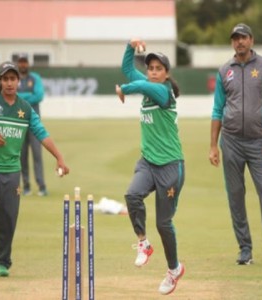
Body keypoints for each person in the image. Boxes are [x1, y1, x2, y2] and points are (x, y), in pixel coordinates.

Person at [0, 62, 69, 277]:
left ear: (18, 81)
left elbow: (41, 133)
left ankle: (2, 262)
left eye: (13, 79)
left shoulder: (25, 109)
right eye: (6, 79)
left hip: (11, 172)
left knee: (8, 216)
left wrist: (59, 157)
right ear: (0, 81)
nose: (10, 83)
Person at [209, 23, 262, 266]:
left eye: (243, 37)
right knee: (235, 195)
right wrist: (213, 146)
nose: (239, 42)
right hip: (230, 141)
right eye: (235, 38)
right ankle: (245, 249)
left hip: (257, 142)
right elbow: (217, 110)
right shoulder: (224, 70)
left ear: (251, 40)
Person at [115, 38, 185, 295]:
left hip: (170, 166)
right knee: (132, 195)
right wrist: (129, 47)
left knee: (164, 223)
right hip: (148, 161)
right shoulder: (147, 86)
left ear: (166, 74)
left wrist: (124, 88)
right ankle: (143, 243)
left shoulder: (163, 91)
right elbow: (128, 70)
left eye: (158, 68)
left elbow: (137, 82)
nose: (153, 72)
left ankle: (174, 269)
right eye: (150, 68)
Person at [16, 54, 47, 196]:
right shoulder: (14, 79)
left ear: (28, 63)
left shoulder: (35, 78)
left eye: (25, 62)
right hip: (19, 124)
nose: (23, 65)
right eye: (21, 62)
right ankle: (26, 186)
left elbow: (39, 95)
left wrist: (21, 97)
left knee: (37, 155)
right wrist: (28, 95)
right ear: (18, 64)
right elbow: (10, 96)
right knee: (22, 156)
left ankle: (41, 186)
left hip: (34, 123)